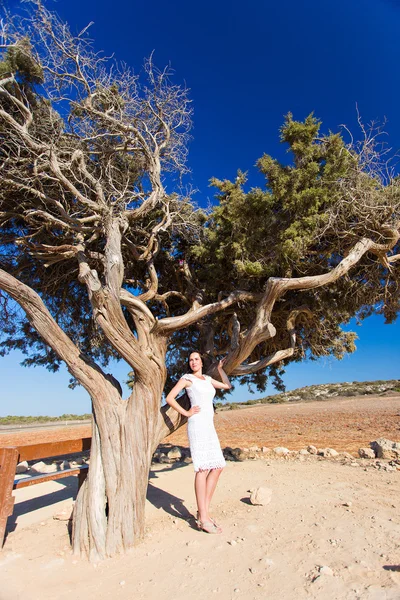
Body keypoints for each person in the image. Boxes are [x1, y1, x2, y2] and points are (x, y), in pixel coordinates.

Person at [165, 352, 231, 534]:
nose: (193, 362)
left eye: (196, 359)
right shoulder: (187, 379)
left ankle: (204, 513)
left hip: (209, 426)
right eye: (191, 360)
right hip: (197, 425)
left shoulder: (208, 379)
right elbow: (169, 398)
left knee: (218, 466)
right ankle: (203, 518)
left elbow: (227, 385)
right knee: (202, 468)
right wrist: (186, 413)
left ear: (201, 362)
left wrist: (219, 369)